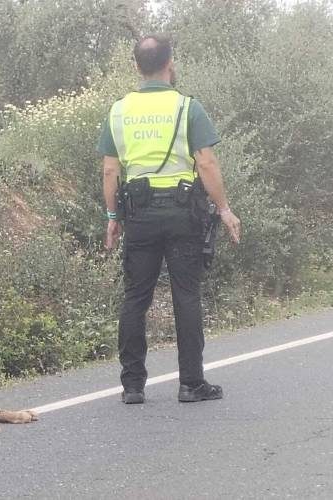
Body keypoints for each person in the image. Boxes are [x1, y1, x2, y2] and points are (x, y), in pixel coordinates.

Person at [97, 35, 241, 404]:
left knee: (135, 297)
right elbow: (206, 162)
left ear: (136, 67)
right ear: (170, 63)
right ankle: (191, 384)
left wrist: (113, 216)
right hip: (182, 214)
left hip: (139, 216)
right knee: (186, 295)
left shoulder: (118, 111)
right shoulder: (186, 107)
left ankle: (132, 386)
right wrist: (224, 209)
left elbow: (110, 170)